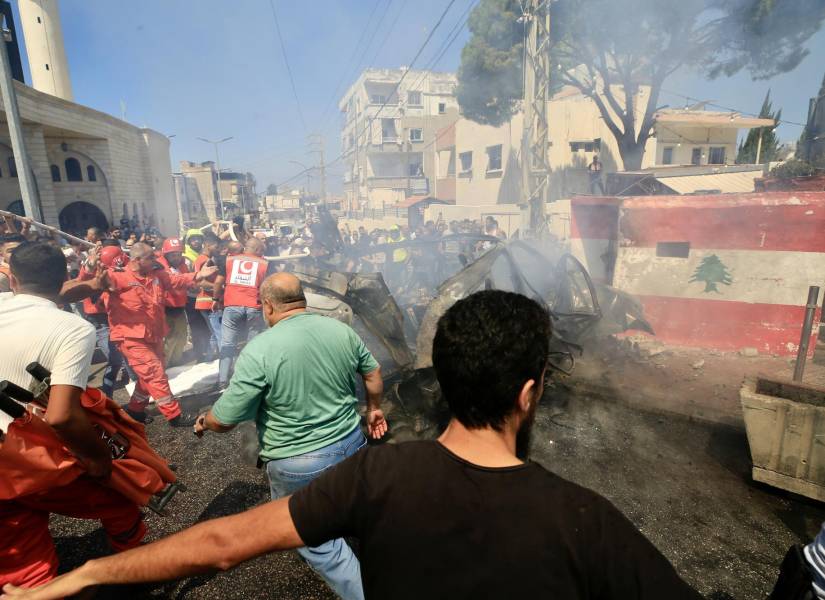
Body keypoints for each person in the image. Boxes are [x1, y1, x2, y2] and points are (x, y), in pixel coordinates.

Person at [1, 291, 702, 600]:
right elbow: (370, 374)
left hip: (309, 463)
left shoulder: (381, 481)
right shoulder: (588, 521)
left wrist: (83, 576)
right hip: (341, 441)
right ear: (529, 393)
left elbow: (218, 544)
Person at [194, 272, 386, 599]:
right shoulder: (340, 330)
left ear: (267, 305)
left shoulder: (259, 350)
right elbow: (373, 372)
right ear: (302, 299)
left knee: (320, 543)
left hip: (299, 464)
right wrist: (374, 409)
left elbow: (225, 419)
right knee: (358, 512)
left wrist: (204, 422)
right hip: (353, 444)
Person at [0, 242, 146, 590]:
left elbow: (47, 297)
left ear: (13, 280)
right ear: (64, 275)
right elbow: (63, 415)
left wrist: (94, 286)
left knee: (20, 549)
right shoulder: (73, 329)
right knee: (121, 499)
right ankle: (134, 572)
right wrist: (98, 460)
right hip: (25, 457)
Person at [106, 243, 216, 426]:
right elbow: (92, 283)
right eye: (150, 258)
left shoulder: (156, 275)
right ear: (136, 260)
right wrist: (88, 268)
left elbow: (176, 281)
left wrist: (198, 275)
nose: (155, 261)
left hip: (154, 334)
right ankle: (175, 416)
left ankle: (135, 409)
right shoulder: (117, 277)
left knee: (149, 375)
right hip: (131, 337)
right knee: (155, 373)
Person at [215, 237, 268, 389]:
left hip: (232, 306)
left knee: (227, 344)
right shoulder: (264, 264)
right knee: (252, 345)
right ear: (257, 249)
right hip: (253, 307)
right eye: (262, 251)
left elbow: (218, 282)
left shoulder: (230, 260)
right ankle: (248, 378)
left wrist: (215, 299)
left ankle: (222, 381)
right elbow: (267, 286)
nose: (263, 254)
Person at [156, 238, 190, 368]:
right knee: (168, 340)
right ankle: (164, 366)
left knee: (181, 337)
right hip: (165, 309)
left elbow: (186, 281)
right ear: (166, 254)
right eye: (173, 255)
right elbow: (172, 282)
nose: (177, 257)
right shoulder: (159, 266)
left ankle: (176, 363)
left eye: (179, 254)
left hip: (179, 306)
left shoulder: (183, 265)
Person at [192, 232, 223, 361]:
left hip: (205, 302)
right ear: (208, 245)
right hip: (209, 302)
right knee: (219, 333)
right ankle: (225, 360)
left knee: (214, 333)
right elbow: (200, 282)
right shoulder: (205, 260)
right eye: (216, 247)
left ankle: (210, 359)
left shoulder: (201, 259)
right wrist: (220, 286)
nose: (218, 250)